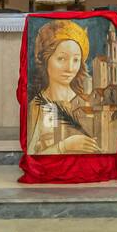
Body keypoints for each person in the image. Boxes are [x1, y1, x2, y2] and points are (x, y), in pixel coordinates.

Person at [27, 20, 100, 154]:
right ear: (46, 59)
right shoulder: (37, 106)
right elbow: (32, 154)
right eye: (61, 59)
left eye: (76, 60)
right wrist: (64, 146)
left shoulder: (87, 102)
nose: (70, 68)